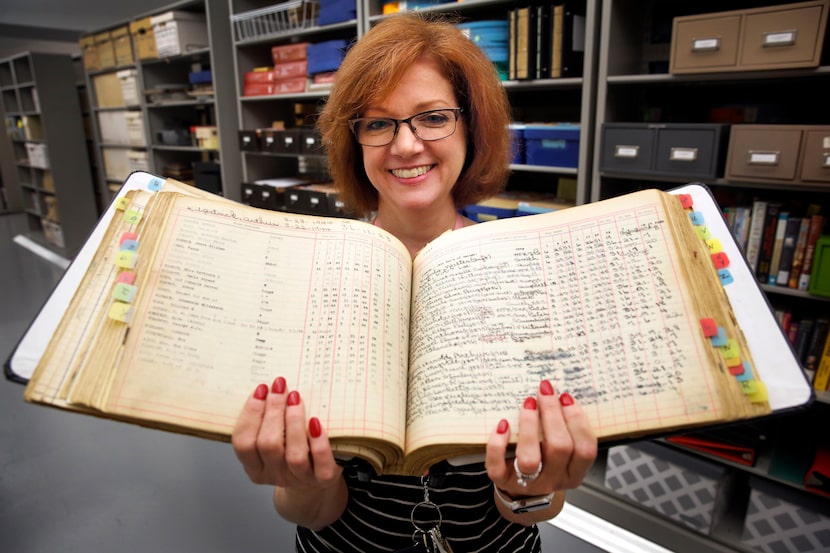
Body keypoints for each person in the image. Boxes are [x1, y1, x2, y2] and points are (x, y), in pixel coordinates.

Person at [232, 12, 598, 552]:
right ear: (354, 140)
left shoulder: (525, 274)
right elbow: (312, 511)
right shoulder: (308, 277)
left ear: (471, 128)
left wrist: (531, 487)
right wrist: (306, 481)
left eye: (432, 117)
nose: (406, 146)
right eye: (378, 123)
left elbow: (528, 510)